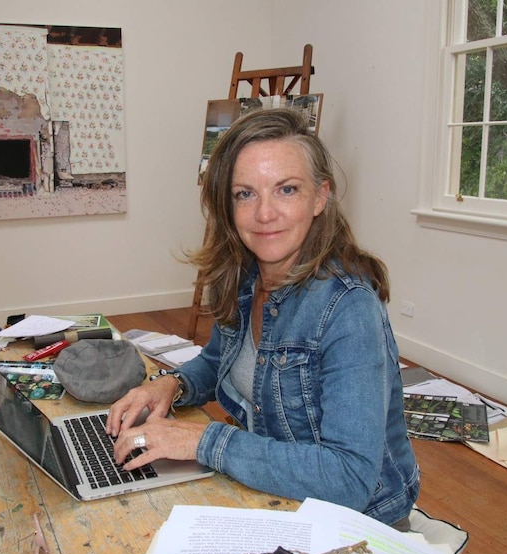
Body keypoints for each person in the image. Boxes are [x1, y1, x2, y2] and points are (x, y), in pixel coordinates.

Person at [107, 108, 419, 528]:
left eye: (286, 189)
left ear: (320, 197)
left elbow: (350, 476)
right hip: (274, 494)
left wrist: (203, 439)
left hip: (358, 525)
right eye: (245, 194)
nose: (264, 214)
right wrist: (171, 385)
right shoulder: (247, 275)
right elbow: (220, 360)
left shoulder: (349, 308)